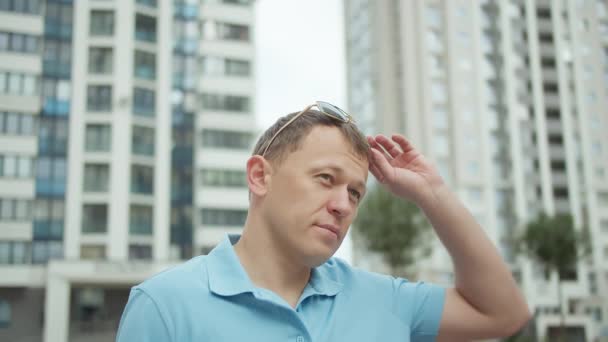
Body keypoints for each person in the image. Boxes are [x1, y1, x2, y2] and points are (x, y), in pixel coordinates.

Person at [116, 101, 531, 341]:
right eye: (325, 179)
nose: (343, 205)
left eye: (354, 192)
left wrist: (433, 194)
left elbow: (504, 313)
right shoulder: (163, 306)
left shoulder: (385, 301)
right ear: (260, 176)